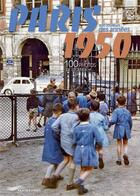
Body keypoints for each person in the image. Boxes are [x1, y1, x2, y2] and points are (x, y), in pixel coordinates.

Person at [70, 108, 103, 195]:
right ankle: (79, 181)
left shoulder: (76, 128)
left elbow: (73, 141)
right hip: (89, 149)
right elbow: (99, 139)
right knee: (90, 167)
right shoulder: (92, 127)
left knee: (82, 168)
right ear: (88, 117)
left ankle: (81, 187)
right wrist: (98, 146)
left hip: (78, 149)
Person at [51, 98, 78, 190]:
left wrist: (59, 133)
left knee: (65, 159)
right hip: (72, 142)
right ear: (75, 106)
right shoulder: (76, 117)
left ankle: (55, 176)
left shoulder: (62, 116)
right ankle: (70, 184)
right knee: (72, 161)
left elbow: (54, 126)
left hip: (63, 141)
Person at [42, 103, 64, 188]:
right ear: (59, 112)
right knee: (53, 162)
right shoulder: (56, 122)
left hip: (48, 142)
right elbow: (57, 134)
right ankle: (46, 178)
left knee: (57, 160)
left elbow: (45, 133)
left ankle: (57, 174)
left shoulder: (49, 120)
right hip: (55, 143)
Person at [109, 95, 132, 165]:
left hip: (119, 128)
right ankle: (125, 154)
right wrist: (129, 129)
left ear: (117, 102)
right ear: (125, 102)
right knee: (125, 143)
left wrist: (108, 124)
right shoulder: (128, 111)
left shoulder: (116, 111)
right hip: (126, 128)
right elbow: (130, 122)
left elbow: (113, 120)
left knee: (119, 143)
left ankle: (119, 160)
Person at [90, 100, 109, 169]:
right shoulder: (101, 116)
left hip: (92, 133)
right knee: (100, 148)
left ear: (90, 107)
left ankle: (95, 163)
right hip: (100, 133)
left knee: (94, 149)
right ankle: (100, 157)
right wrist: (107, 127)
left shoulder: (89, 116)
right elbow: (105, 127)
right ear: (99, 108)